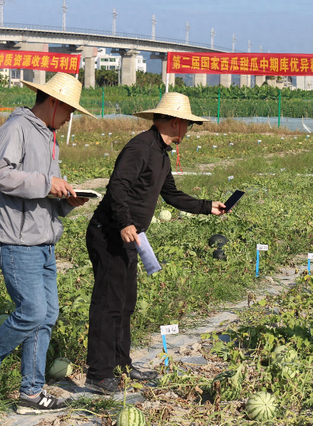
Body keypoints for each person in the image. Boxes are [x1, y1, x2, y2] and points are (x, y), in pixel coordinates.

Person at [0, 73, 94, 414]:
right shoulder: (17, 128)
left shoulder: (48, 137)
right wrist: (46, 182)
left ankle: (31, 394)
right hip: (16, 240)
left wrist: (67, 201)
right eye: (69, 110)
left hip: (43, 239)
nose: (70, 117)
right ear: (53, 103)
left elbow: (42, 191)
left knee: (47, 314)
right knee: (32, 311)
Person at [85, 92, 228, 394]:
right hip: (110, 232)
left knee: (125, 303)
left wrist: (207, 206)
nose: (188, 130)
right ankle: (98, 374)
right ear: (175, 122)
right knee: (108, 303)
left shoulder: (161, 154)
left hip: (130, 237)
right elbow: (117, 187)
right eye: (187, 124)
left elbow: (171, 194)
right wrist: (124, 221)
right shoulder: (141, 147)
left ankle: (121, 364)